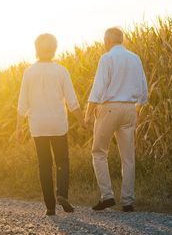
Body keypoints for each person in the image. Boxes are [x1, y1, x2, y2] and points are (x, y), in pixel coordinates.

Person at [15, 33, 87, 216]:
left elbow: (23, 102)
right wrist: (81, 120)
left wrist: (18, 127)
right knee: (62, 160)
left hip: (38, 126)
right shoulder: (61, 71)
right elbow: (72, 101)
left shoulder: (29, 72)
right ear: (54, 49)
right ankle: (62, 194)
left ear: (37, 49)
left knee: (44, 164)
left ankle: (50, 206)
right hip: (57, 124)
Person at [85, 27, 148, 212]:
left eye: (105, 40)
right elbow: (143, 88)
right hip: (130, 108)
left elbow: (98, 87)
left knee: (99, 152)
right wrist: (138, 108)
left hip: (110, 108)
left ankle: (107, 196)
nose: (104, 43)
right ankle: (128, 201)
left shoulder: (107, 58)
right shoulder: (135, 58)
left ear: (108, 40)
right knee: (128, 157)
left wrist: (88, 113)